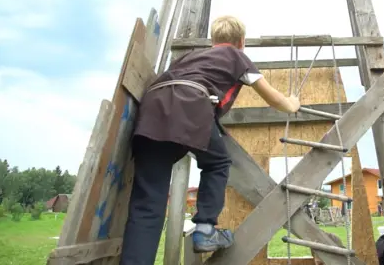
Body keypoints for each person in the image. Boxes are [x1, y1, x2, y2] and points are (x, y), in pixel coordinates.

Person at [120, 16, 301, 265]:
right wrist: (292, 104)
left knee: (147, 206)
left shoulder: (188, 58)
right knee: (217, 163)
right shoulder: (237, 57)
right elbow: (272, 97)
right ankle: (205, 230)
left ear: (213, 40)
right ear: (241, 42)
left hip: (152, 111)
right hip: (190, 103)